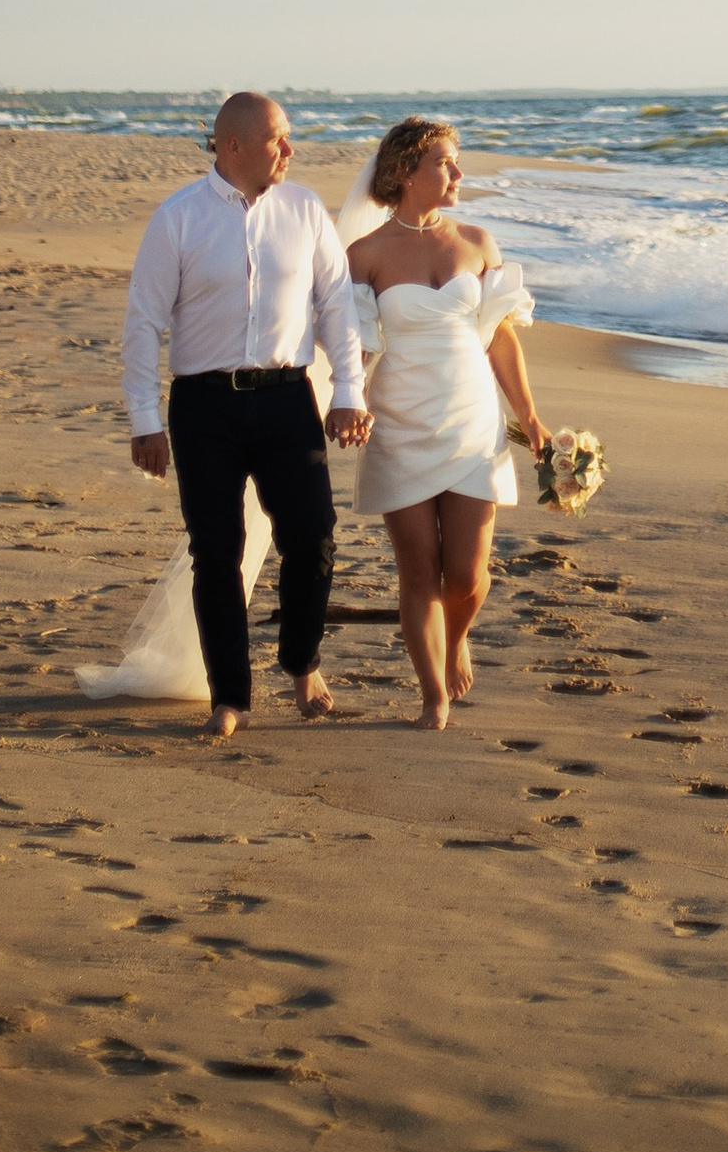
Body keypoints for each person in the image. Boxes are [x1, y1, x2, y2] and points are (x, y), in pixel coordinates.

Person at [118, 90, 369, 742]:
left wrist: (349, 392)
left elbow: (337, 307)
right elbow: (143, 322)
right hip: (204, 407)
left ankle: (301, 662)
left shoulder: (306, 210)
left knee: (312, 537)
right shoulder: (178, 218)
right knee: (217, 552)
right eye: (277, 138)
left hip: (289, 398)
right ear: (233, 147)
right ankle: (230, 696)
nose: (290, 148)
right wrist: (144, 418)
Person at [339, 117, 547, 729]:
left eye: (456, 162)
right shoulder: (365, 255)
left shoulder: (478, 243)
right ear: (406, 172)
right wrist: (350, 400)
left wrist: (529, 417)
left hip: (472, 420)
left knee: (468, 575)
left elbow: (500, 338)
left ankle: (456, 637)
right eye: (445, 163)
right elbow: (358, 348)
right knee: (418, 570)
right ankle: (431, 693)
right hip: (398, 424)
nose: (458, 173)